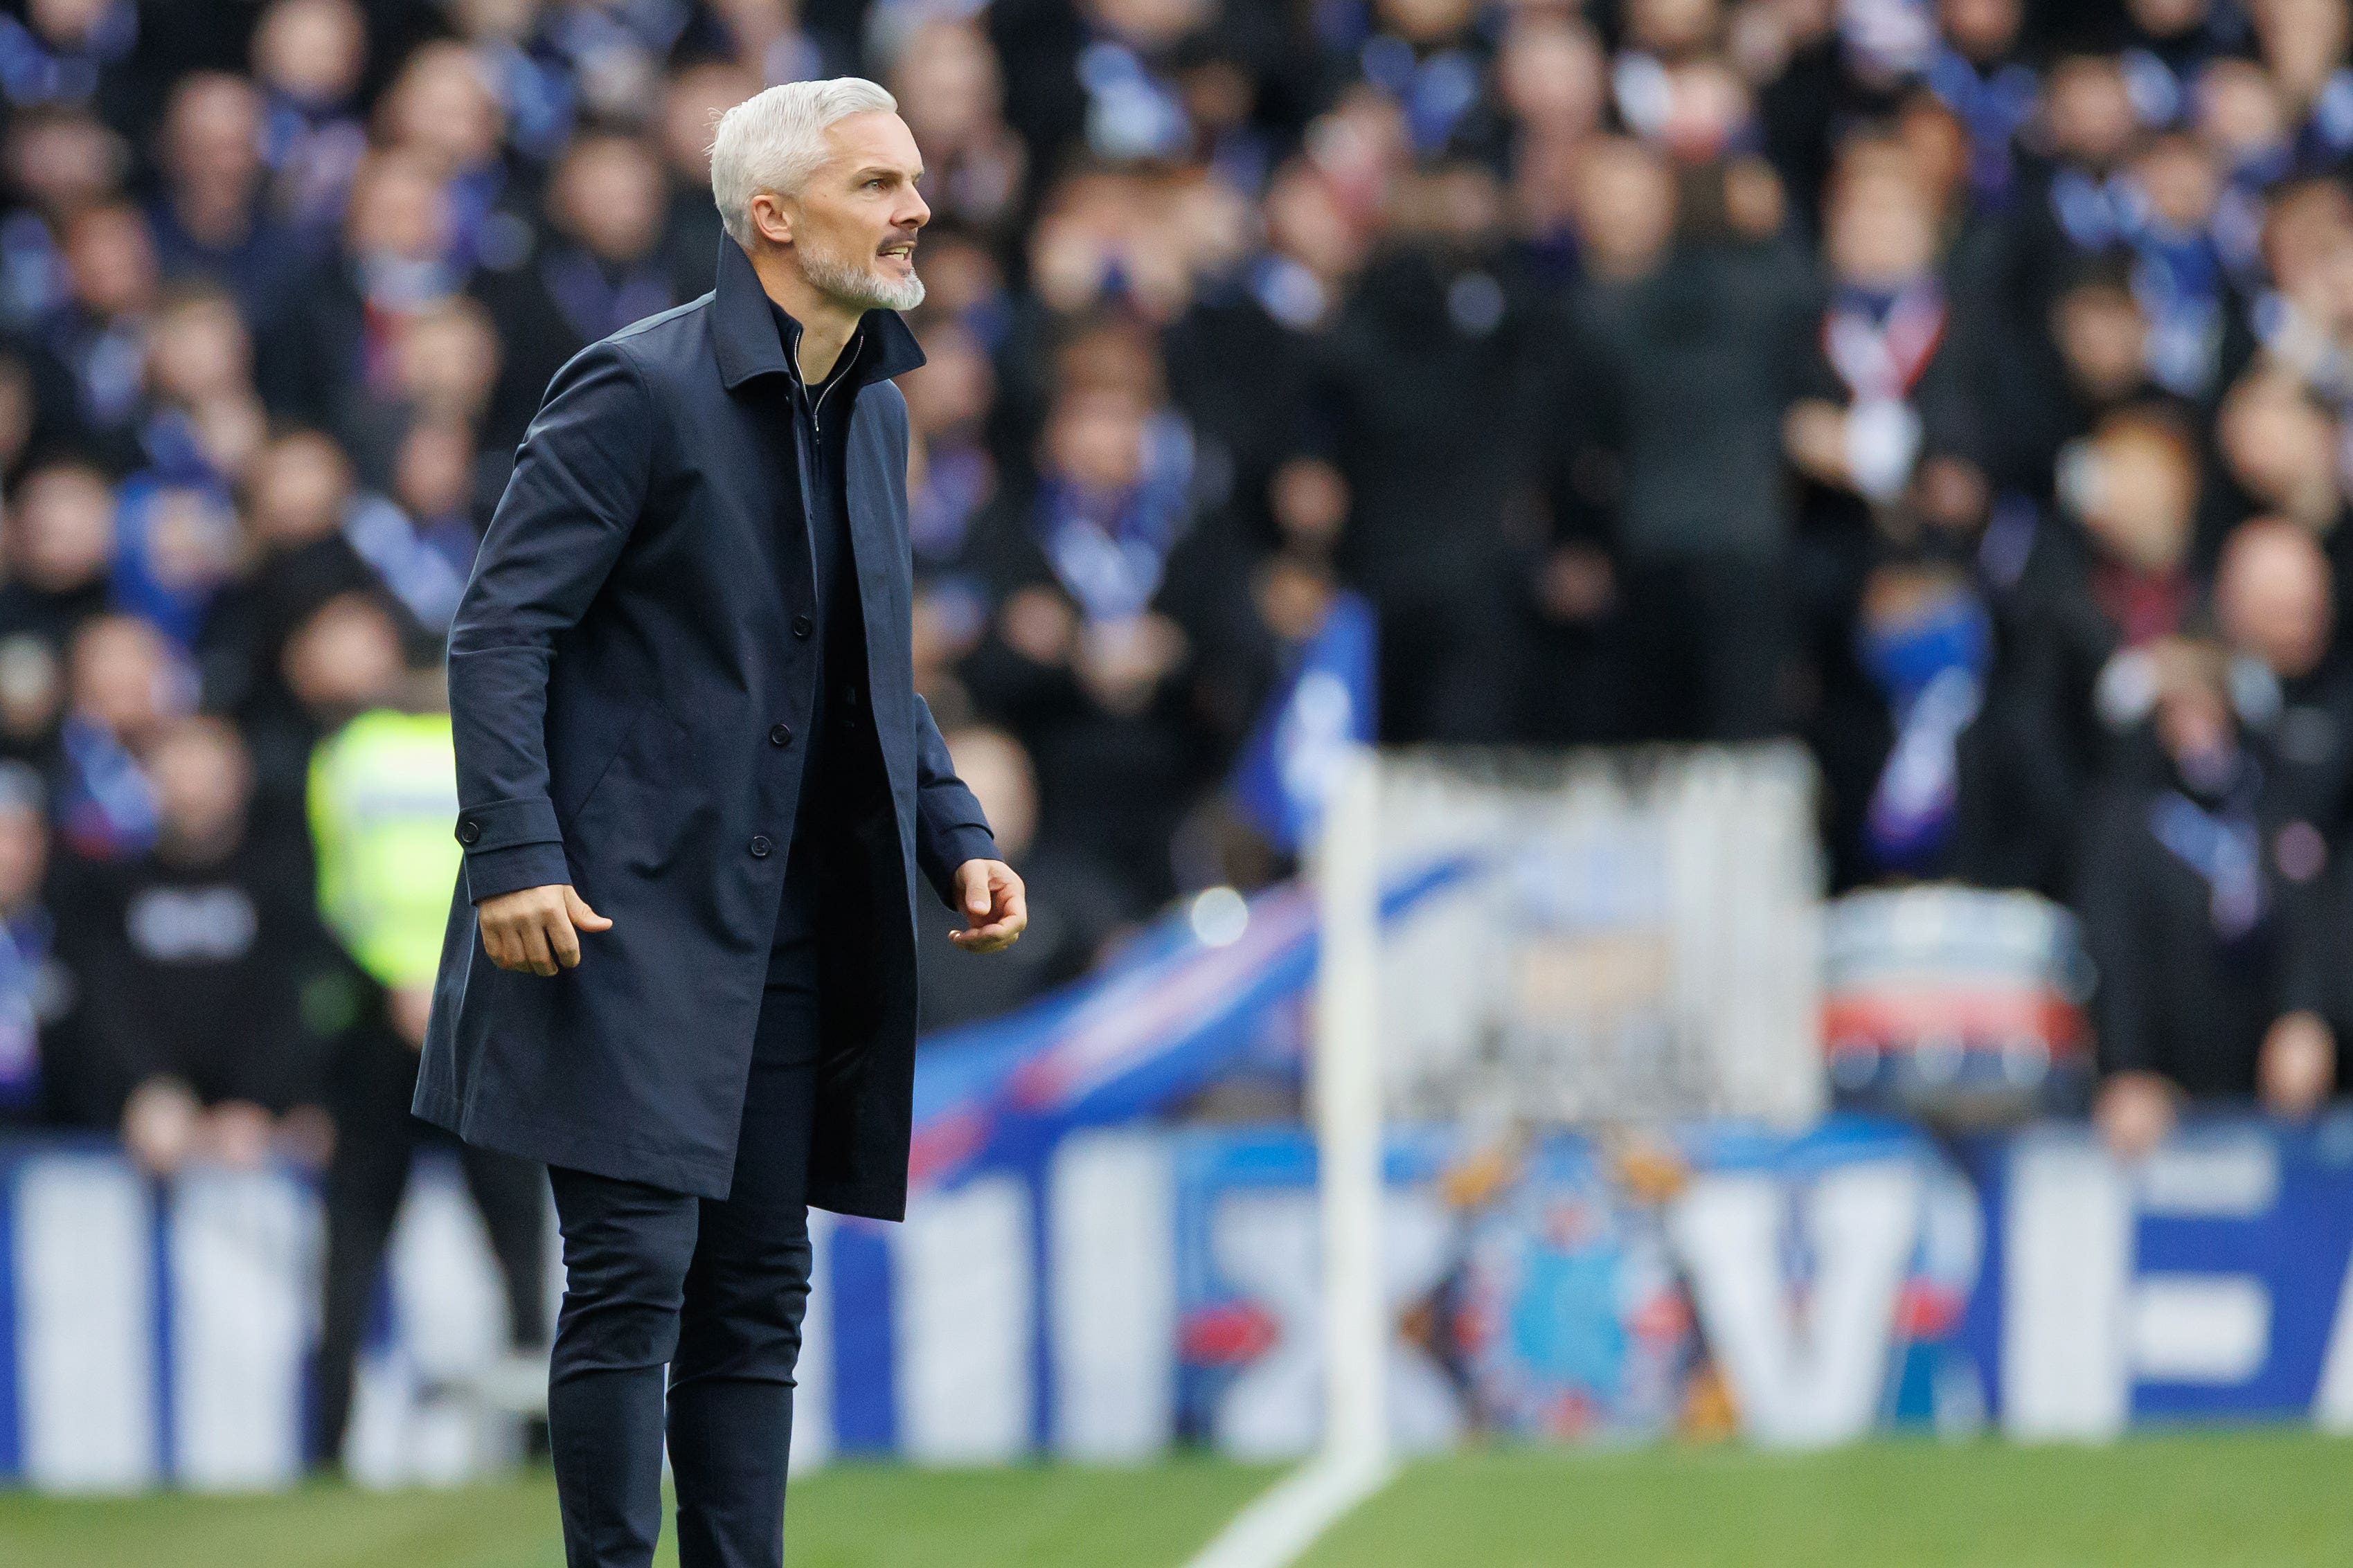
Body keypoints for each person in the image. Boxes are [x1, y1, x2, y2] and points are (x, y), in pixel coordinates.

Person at [416, 79, 1027, 1568]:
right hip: (619, 916)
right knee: (634, 1276)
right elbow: (500, 632)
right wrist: (515, 852)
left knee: (758, 1288)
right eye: (877, 183)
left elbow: (873, 670)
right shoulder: (634, 387)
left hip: (790, 928)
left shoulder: (875, 411)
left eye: (914, 180)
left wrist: (954, 825)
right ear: (772, 216)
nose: (915, 208)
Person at [303, 666, 548, 1475]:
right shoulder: (497, 745)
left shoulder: (349, 755)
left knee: (358, 1238)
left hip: (386, 1011)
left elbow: (335, 893)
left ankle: (328, 1444)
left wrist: (393, 985)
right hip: (479, 1004)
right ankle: (545, 1443)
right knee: (514, 1237)